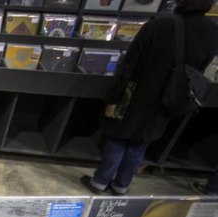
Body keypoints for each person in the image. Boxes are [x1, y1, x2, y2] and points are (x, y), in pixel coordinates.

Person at [80, 0, 218, 195]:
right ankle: (122, 185)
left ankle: (100, 182)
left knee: (118, 139)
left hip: (137, 94)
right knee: (141, 144)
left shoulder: (159, 25)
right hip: (172, 97)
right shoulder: (212, 32)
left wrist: (113, 98)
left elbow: (129, 64)